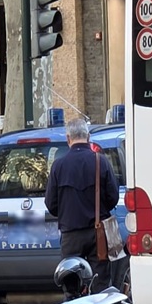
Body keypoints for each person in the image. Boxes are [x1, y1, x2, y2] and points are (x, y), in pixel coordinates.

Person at [45, 118, 119, 292]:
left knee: (70, 283)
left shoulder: (58, 166)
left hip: (70, 235)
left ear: (68, 138)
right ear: (88, 137)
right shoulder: (101, 162)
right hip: (98, 233)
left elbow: (51, 203)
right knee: (100, 283)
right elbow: (113, 197)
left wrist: (66, 213)